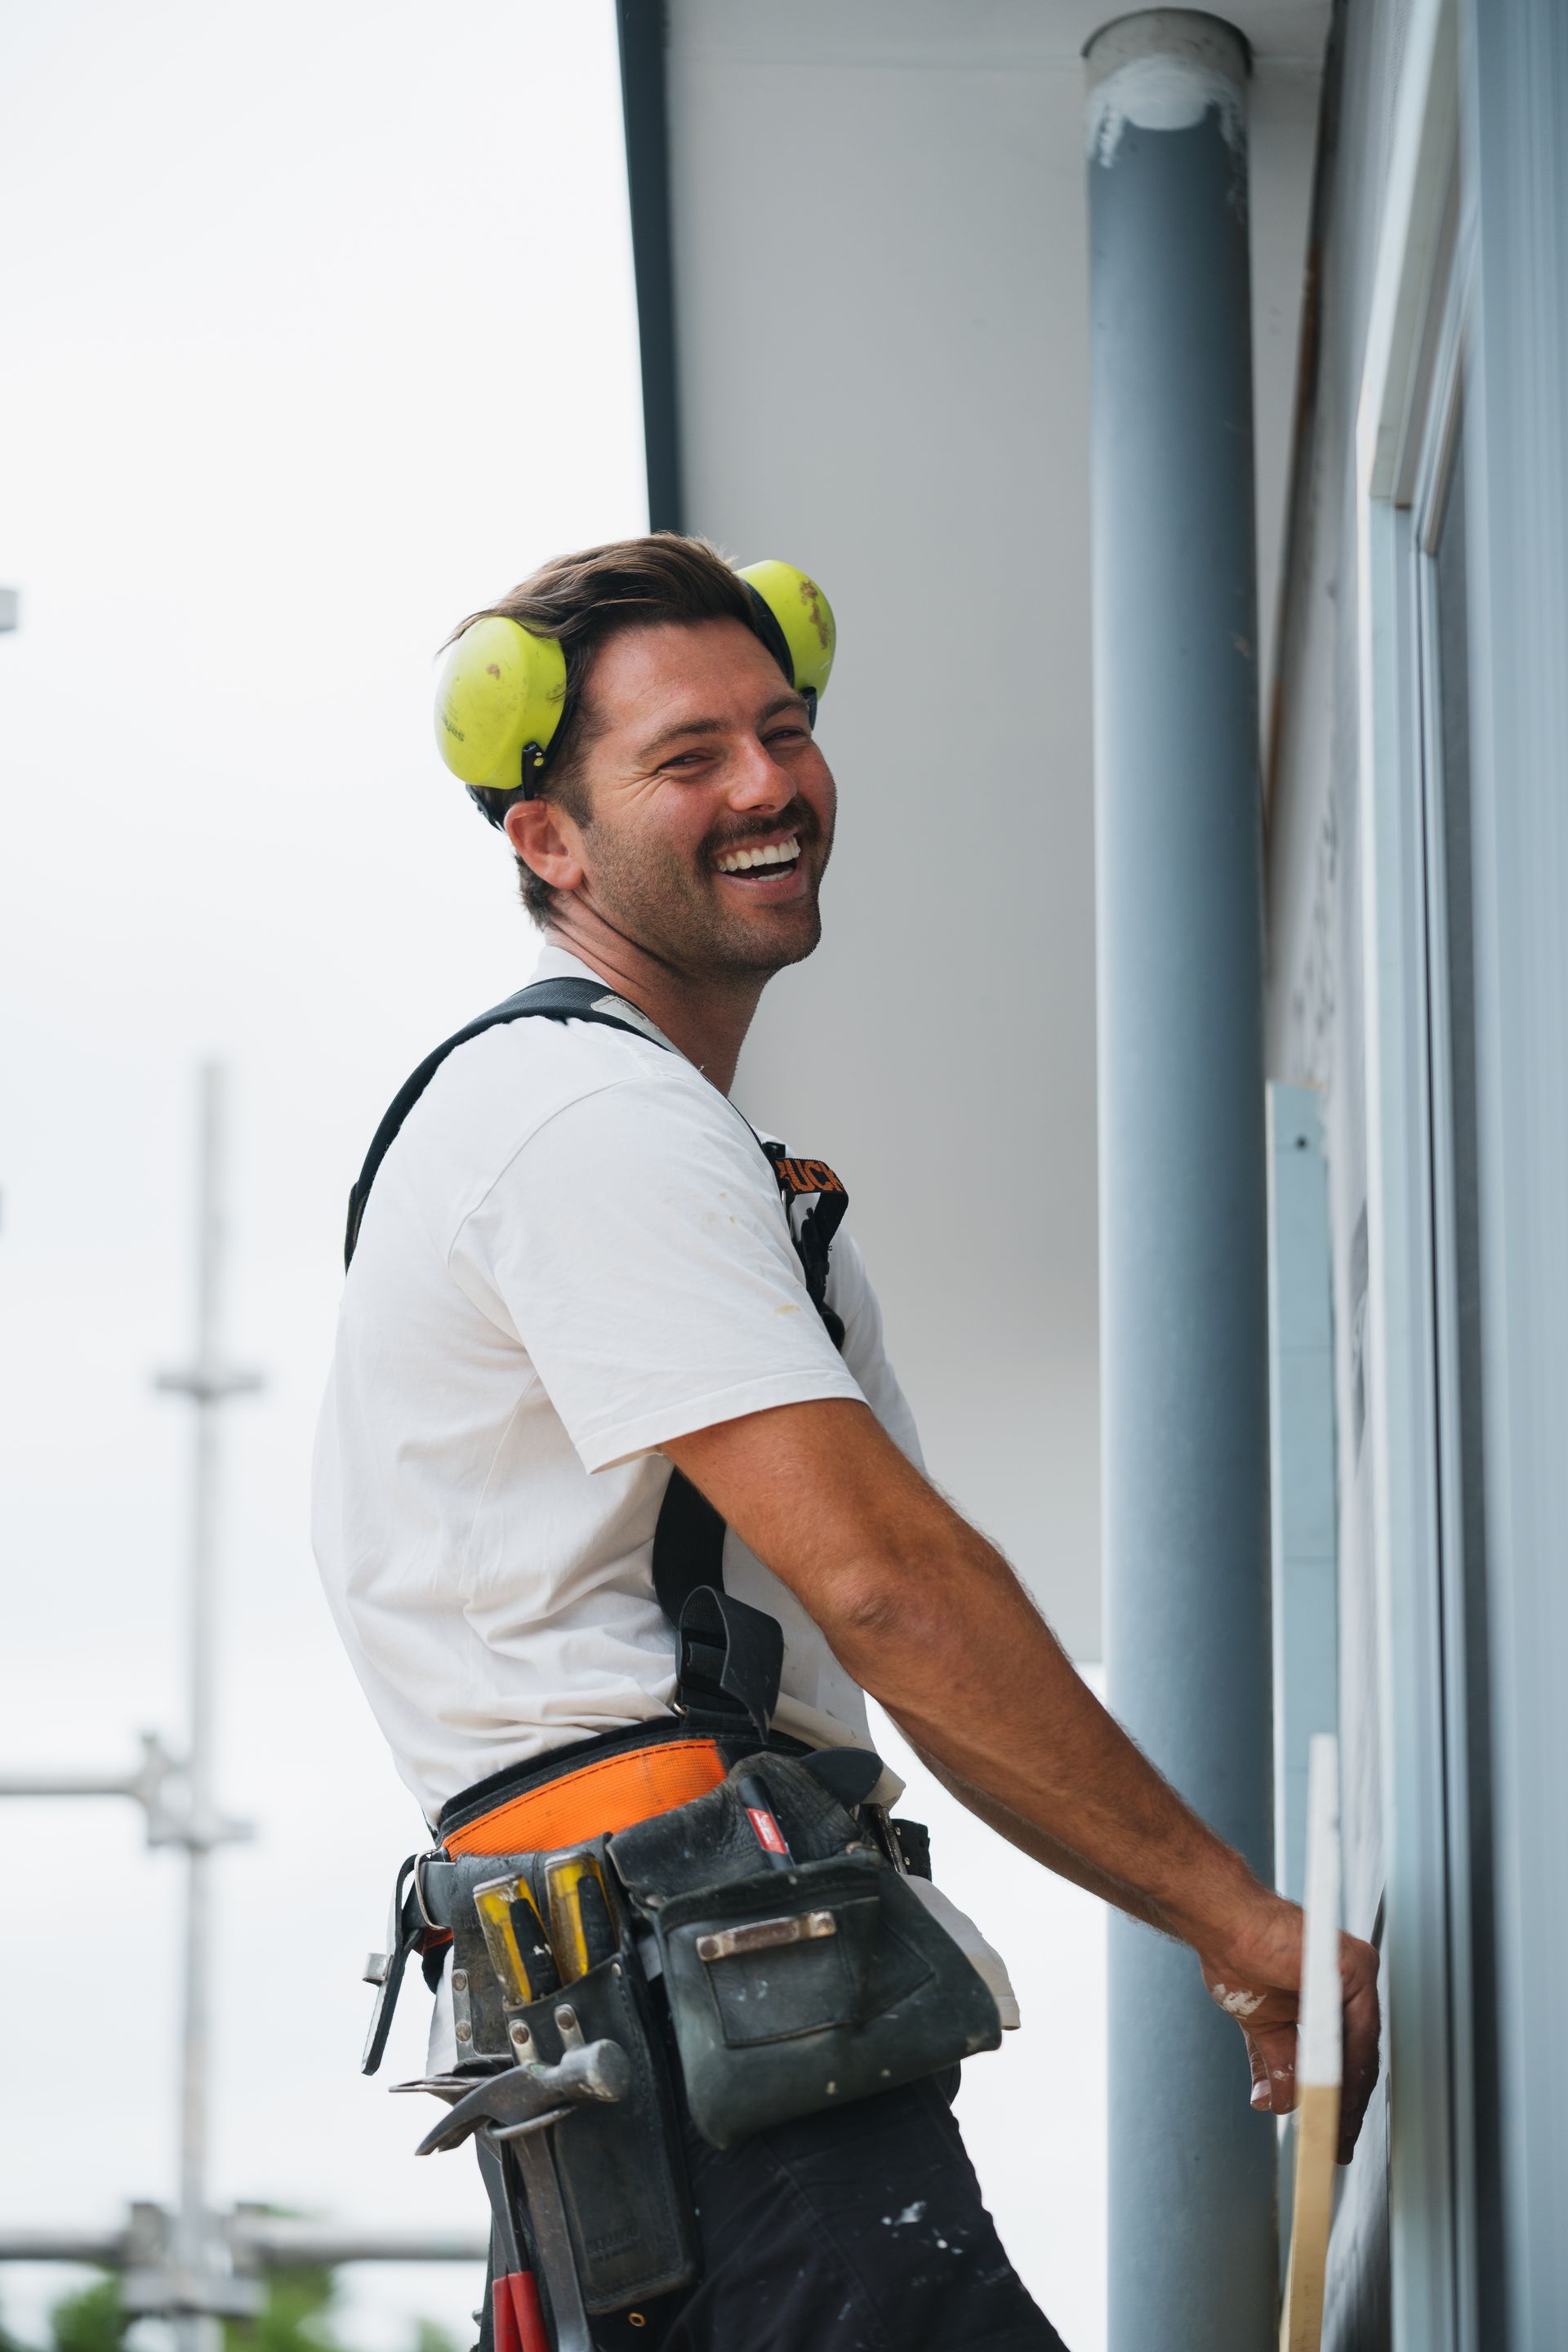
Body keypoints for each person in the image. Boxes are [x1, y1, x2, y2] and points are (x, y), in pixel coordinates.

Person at [314, 534, 1379, 2352]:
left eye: (782, 726)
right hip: (693, 1990)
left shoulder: (642, 1128)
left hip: (698, 2002)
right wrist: (1238, 1922)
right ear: (545, 841)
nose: (767, 784)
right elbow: (888, 1585)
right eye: (686, 756)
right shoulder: (583, 1123)